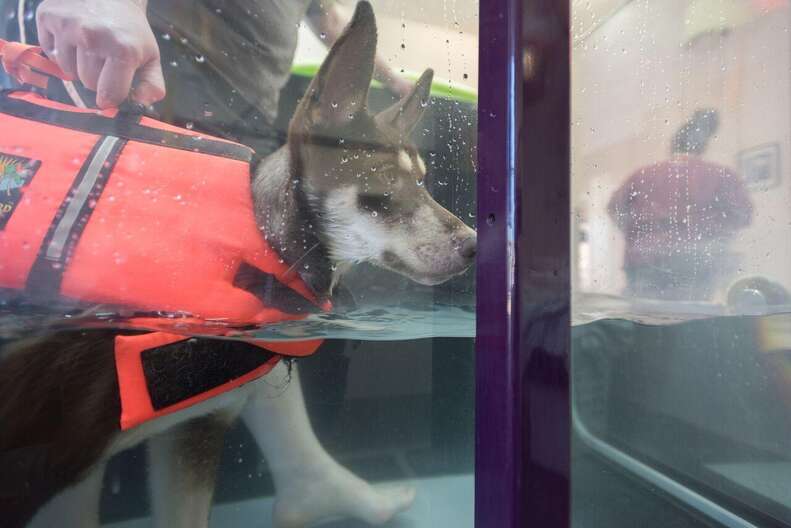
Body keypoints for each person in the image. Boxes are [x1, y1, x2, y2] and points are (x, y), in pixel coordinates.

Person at [7, 0, 417, 526]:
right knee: (93, 371)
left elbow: (326, 18)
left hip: (245, 140)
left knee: (226, 354)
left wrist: (391, 79)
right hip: (154, 121)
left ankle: (301, 473)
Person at [608, 109, 754, 301]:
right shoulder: (721, 175)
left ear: (672, 146)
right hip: (698, 262)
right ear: (702, 148)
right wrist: (714, 235)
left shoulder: (641, 175)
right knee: (690, 320)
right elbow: (743, 215)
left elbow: (614, 208)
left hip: (645, 261)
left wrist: (640, 234)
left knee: (643, 319)